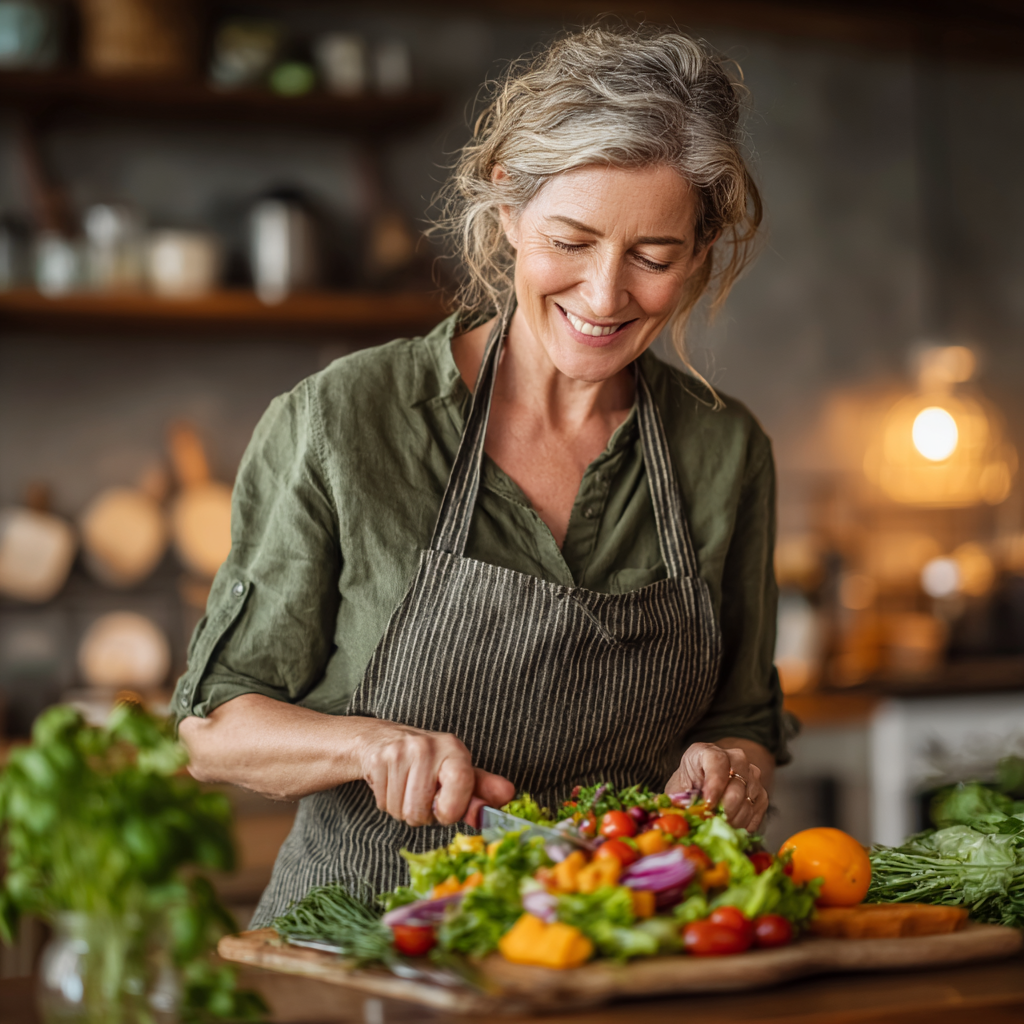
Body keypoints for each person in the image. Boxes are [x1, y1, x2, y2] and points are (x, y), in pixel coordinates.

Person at [176, 24, 792, 927]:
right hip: (361, 951)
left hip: (608, 955)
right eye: (570, 241)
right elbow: (213, 733)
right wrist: (368, 746)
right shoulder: (346, 420)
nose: (604, 294)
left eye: (654, 258)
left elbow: (745, 720)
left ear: (699, 252)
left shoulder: (724, 450)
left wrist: (733, 764)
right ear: (506, 207)